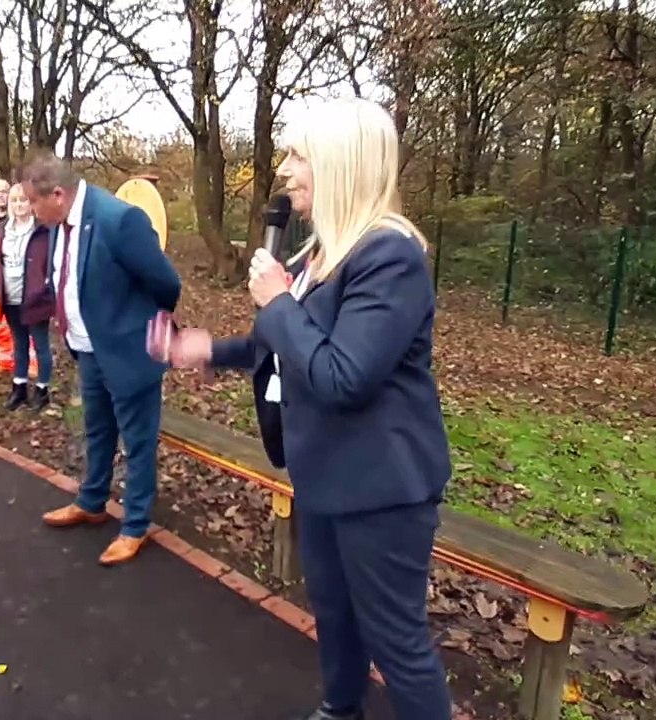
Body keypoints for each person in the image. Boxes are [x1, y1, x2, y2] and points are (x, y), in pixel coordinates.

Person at [168, 98, 453, 720]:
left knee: (397, 642)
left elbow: (342, 374)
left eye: (298, 155)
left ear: (338, 163)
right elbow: (287, 348)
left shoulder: (389, 257)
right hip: (322, 473)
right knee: (334, 612)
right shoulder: (316, 256)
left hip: (381, 490)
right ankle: (339, 708)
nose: (285, 170)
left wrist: (276, 303)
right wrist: (206, 349)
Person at [19, 152, 181, 566]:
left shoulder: (119, 219)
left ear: (57, 194)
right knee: (97, 430)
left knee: (137, 441)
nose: (31, 211)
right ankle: (92, 502)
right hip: (89, 350)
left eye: (33, 202)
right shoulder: (59, 225)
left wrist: (136, 325)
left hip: (130, 352)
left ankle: (135, 525)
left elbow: (165, 283)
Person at [0, 182, 55, 410]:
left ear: (31, 203)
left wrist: (47, 285)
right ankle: (19, 387)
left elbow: (52, 262)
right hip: (10, 296)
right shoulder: (2, 229)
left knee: (40, 345)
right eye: (15, 201)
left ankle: (42, 389)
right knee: (18, 343)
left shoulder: (43, 230)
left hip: (35, 296)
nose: (19, 205)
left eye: (24, 200)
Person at [0, 178, 36, 377]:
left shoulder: (21, 217)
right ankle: (4, 359)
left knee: (27, 319)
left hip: (17, 277)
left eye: (4, 191)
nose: (0, 195)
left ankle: (33, 361)